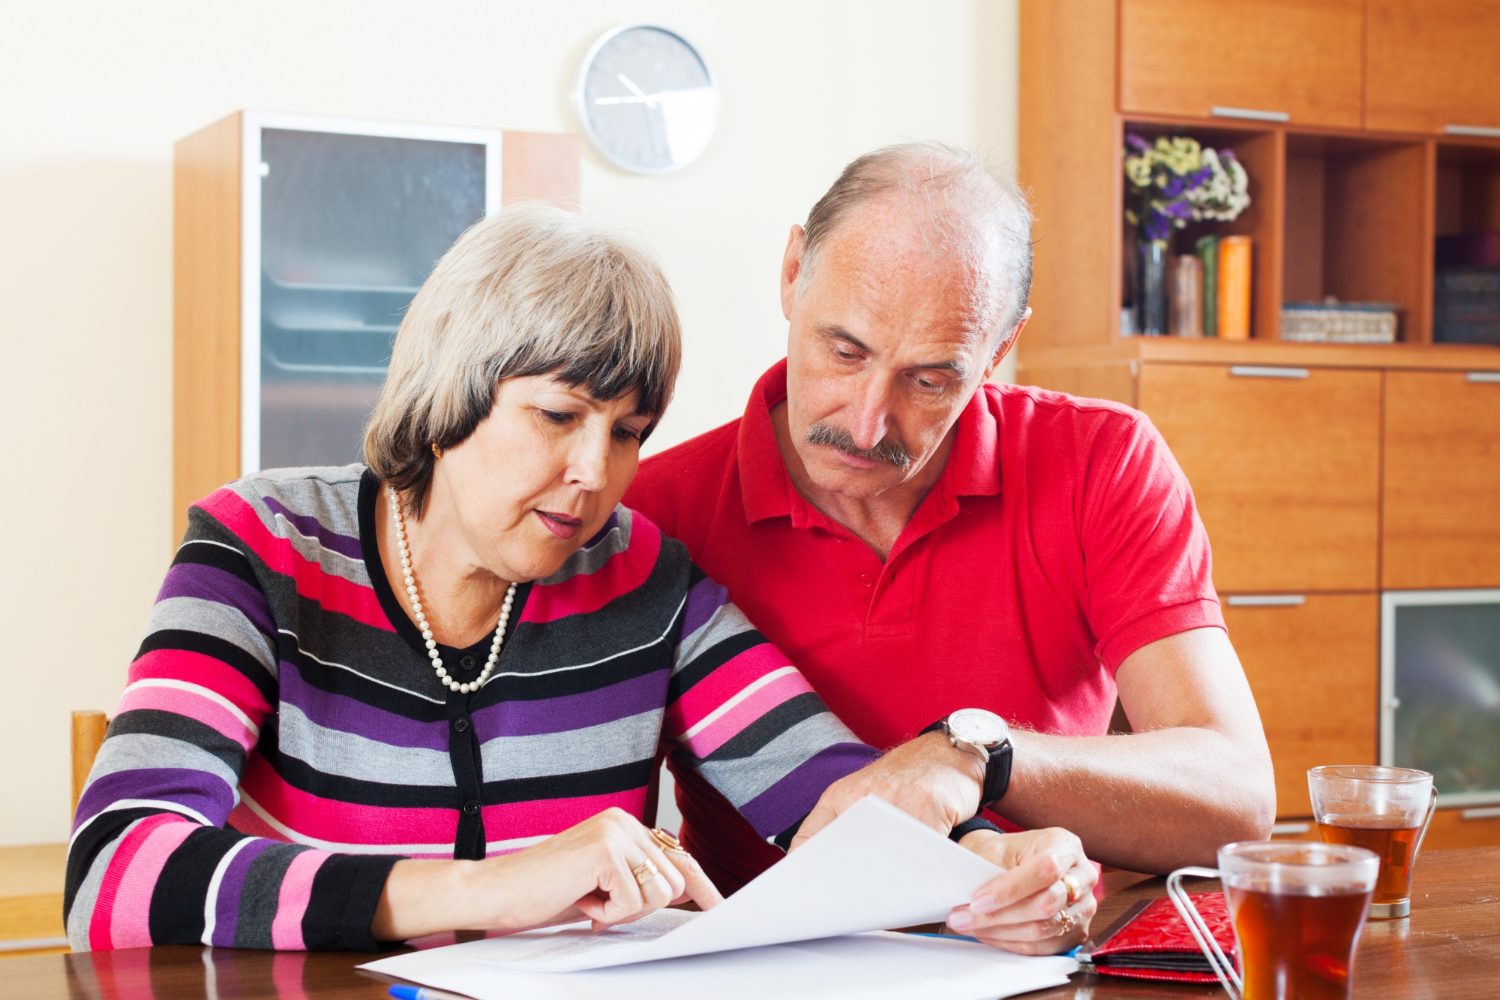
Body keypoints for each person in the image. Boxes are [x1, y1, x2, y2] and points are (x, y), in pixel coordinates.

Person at [67, 203, 1096, 955]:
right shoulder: (261, 547)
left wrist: (993, 868)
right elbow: (115, 870)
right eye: (557, 417)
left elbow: (836, 802)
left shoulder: (644, 578)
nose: (595, 475)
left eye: (629, 434)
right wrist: (495, 888)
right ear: (451, 388)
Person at [625, 144, 1277, 900]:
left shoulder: (1102, 461)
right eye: (844, 352)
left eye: (930, 380)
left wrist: (974, 755)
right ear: (792, 272)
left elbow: (1237, 798)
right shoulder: (650, 512)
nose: (868, 424)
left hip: (1035, 958)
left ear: (1000, 348)